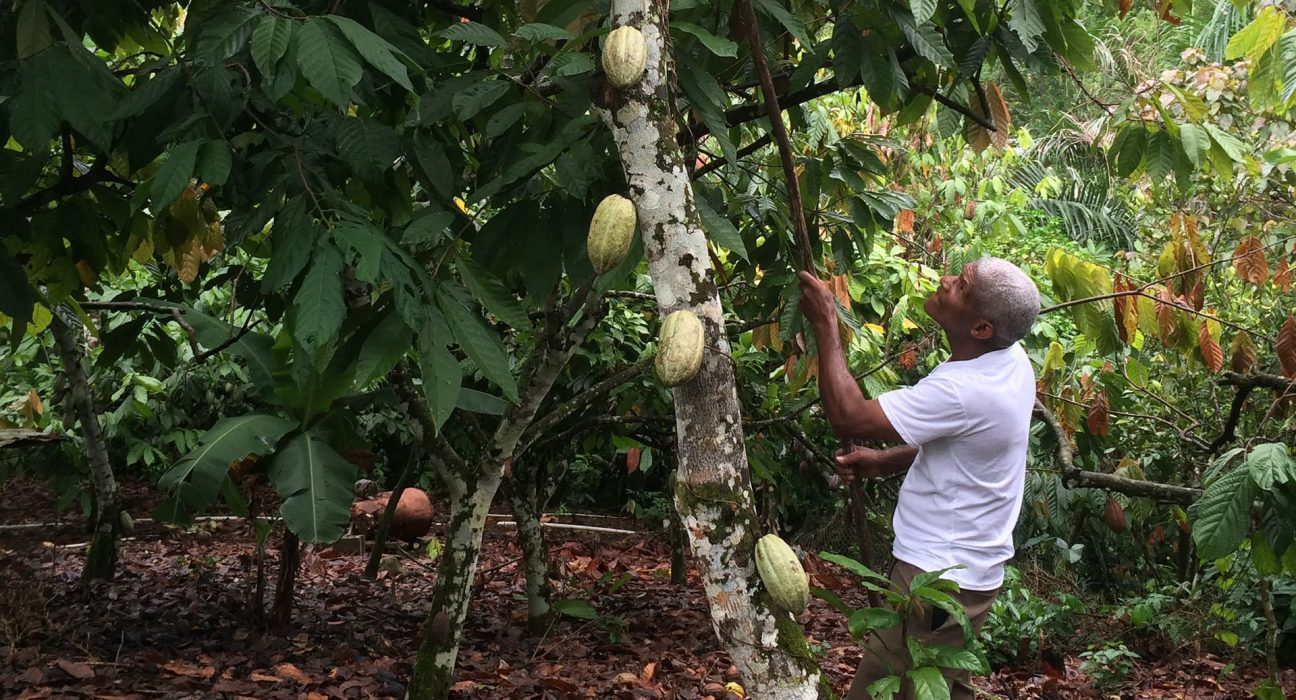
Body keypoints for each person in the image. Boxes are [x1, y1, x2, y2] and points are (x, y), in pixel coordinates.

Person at [797, 257, 1041, 700]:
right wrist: (886, 460)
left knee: (883, 690)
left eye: (961, 286)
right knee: (940, 686)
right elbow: (965, 440)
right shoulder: (1011, 360)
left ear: (982, 328)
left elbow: (848, 414)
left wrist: (827, 322)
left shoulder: (963, 390)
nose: (945, 280)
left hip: (935, 579)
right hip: (969, 575)